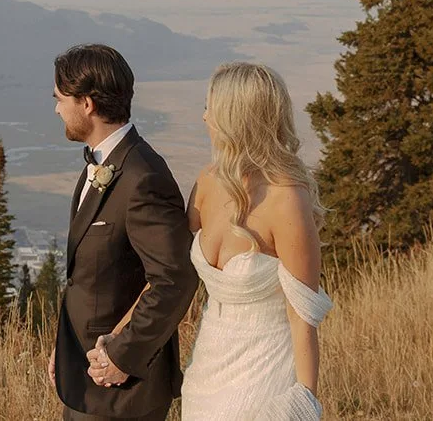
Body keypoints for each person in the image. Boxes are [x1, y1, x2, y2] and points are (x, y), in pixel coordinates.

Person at [48, 43, 199, 421]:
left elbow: (175, 278)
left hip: (123, 390)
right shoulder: (102, 163)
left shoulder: (142, 176)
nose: (56, 109)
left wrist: (123, 354)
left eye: (60, 98)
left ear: (87, 104)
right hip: (86, 377)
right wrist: (64, 347)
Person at [178, 61, 333, 420]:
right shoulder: (206, 181)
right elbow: (171, 267)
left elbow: (302, 312)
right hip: (204, 372)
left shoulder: (287, 198)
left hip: (263, 378)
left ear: (236, 118)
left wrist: (304, 402)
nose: (204, 118)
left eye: (210, 108)